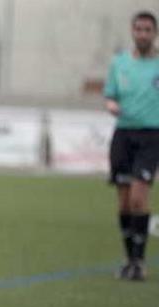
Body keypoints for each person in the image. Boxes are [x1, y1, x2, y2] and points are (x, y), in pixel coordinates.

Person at [104, 10, 159, 282]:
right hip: (123, 136)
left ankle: (139, 261)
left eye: (148, 30)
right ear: (132, 31)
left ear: (155, 33)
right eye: (138, 29)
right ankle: (129, 259)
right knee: (124, 202)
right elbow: (109, 96)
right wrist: (111, 105)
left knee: (139, 196)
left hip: (151, 136)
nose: (143, 34)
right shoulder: (120, 63)